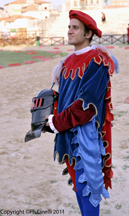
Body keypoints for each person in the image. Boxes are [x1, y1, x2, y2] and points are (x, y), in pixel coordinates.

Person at [43, 10, 117, 216]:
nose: (69, 31)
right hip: (66, 133)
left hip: (85, 139)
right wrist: (47, 111)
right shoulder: (66, 63)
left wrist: (55, 121)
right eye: (69, 27)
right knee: (78, 187)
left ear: (87, 34)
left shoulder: (96, 61)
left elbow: (85, 107)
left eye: (75, 27)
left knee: (88, 193)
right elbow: (65, 98)